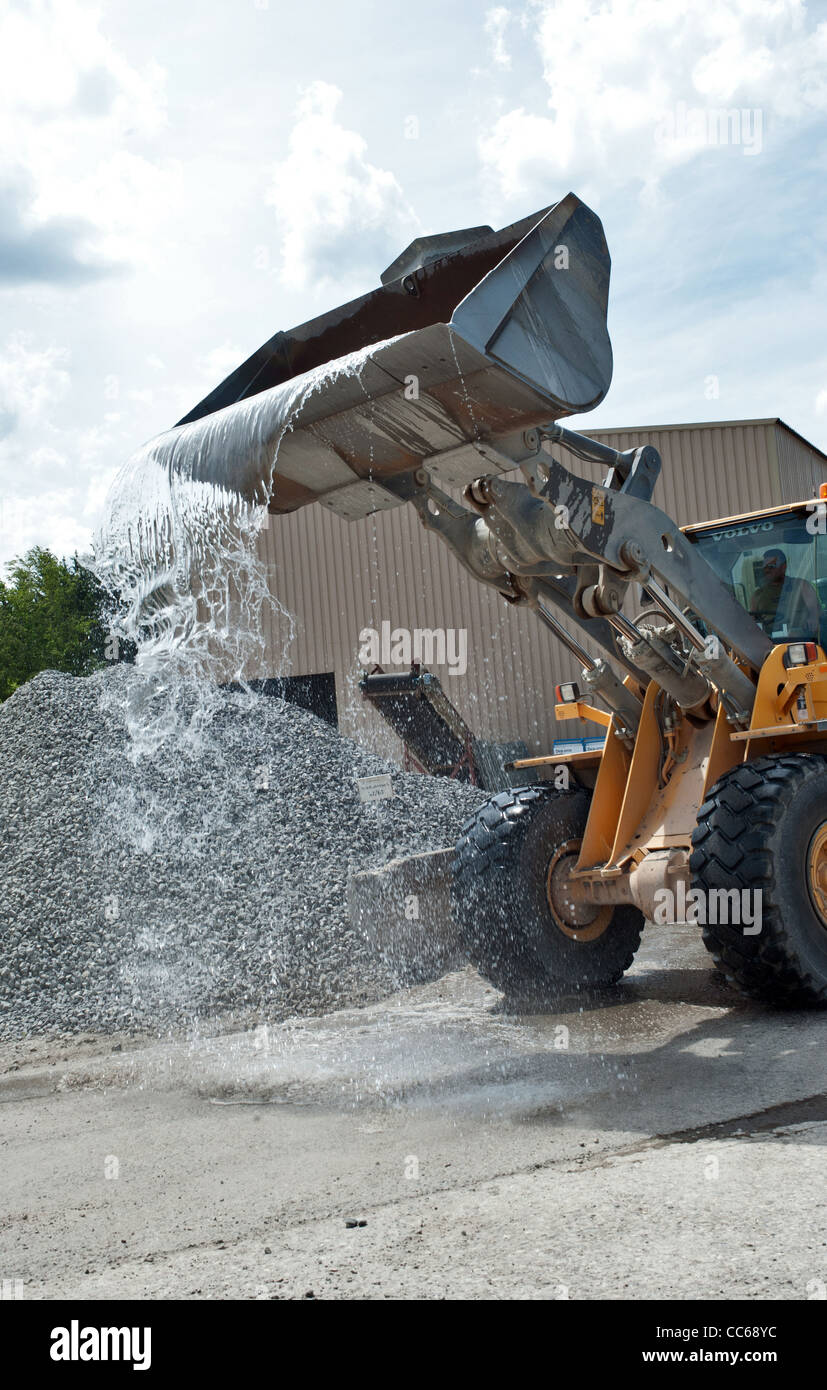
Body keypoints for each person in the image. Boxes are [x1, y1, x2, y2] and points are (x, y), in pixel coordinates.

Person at [750, 548, 820, 639]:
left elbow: (815, 612)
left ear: (783, 567)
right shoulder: (758, 595)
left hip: (802, 641)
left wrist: (813, 617)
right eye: (765, 567)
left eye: (771, 566)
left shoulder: (801, 586)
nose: (767, 570)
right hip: (770, 644)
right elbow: (751, 624)